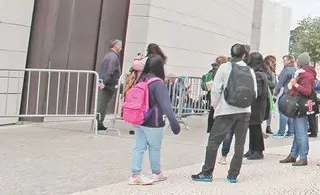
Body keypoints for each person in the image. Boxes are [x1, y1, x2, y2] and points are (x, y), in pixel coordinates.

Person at [191, 43, 257, 183]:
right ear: (244, 55)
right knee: (239, 143)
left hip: (226, 110)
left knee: (214, 141)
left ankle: (207, 172)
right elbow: (254, 92)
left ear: (231, 54)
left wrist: (216, 106)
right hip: (245, 111)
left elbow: (216, 89)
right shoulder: (250, 70)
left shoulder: (224, 67)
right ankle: (233, 175)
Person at [127, 54, 180, 185]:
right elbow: (166, 105)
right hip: (154, 121)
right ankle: (156, 173)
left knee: (139, 147)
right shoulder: (158, 83)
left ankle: (135, 174)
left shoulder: (141, 79)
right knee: (155, 147)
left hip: (139, 118)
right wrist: (174, 123)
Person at [244, 52, 271, 160]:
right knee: (253, 127)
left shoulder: (258, 74)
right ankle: (252, 149)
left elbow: (258, 92)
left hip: (257, 105)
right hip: (257, 105)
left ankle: (258, 151)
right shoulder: (260, 72)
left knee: (255, 128)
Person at [96, 39, 123, 131]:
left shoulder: (108, 55)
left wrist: (101, 80)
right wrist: (104, 82)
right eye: (120, 46)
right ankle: (98, 122)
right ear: (116, 46)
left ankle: (98, 121)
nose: (121, 48)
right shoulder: (113, 57)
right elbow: (110, 71)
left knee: (103, 102)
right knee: (103, 103)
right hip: (110, 83)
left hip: (107, 82)